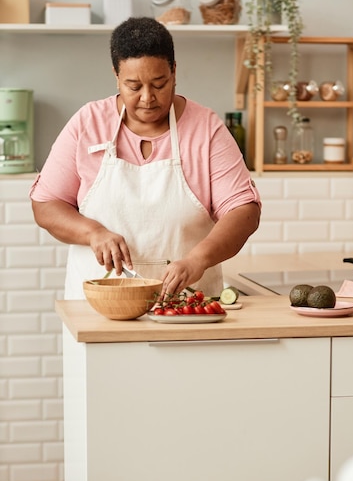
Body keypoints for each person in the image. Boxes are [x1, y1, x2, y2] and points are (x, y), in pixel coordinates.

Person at [31, 16, 261, 300]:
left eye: (159, 84)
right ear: (116, 76)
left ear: (174, 72)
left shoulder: (206, 128)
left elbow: (244, 212)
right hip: (98, 307)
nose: (148, 98)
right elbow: (46, 205)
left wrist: (198, 259)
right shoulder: (88, 123)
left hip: (187, 306)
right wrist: (92, 233)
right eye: (134, 86)